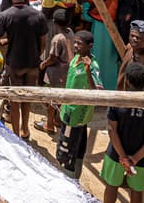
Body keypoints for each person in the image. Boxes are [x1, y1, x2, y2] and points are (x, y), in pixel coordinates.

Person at [0, 0, 48, 139]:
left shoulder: (4, 16)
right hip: (32, 63)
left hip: (14, 64)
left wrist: (7, 40)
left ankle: (16, 133)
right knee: (27, 98)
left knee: (14, 100)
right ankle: (25, 129)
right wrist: (36, 55)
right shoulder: (38, 15)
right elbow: (43, 42)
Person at [102, 63, 144, 203]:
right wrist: (134, 159)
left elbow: (112, 131)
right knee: (137, 191)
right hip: (141, 157)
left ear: (127, 81)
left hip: (116, 154)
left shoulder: (117, 102)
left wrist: (123, 157)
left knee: (111, 186)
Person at [56, 30, 101, 178]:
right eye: (74, 42)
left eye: (79, 44)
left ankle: (69, 178)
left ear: (90, 46)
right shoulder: (75, 58)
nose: (75, 46)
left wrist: (88, 71)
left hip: (77, 115)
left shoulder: (92, 66)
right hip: (68, 111)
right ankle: (73, 175)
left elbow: (97, 90)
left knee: (67, 150)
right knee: (75, 145)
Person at [83, 0, 120, 90]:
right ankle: (109, 86)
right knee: (109, 57)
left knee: (98, 55)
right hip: (111, 20)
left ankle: (98, 85)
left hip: (101, 21)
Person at [36, 7, 73, 135]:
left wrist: (43, 64)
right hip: (68, 72)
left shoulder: (57, 38)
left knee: (51, 99)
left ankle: (49, 124)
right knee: (60, 99)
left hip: (56, 74)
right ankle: (57, 120)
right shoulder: (71, 33)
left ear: (54, 22)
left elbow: (52, 58)